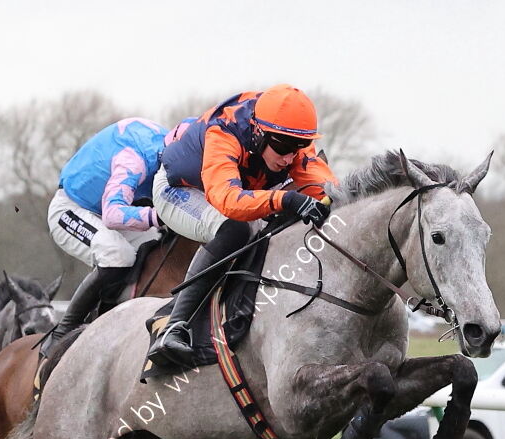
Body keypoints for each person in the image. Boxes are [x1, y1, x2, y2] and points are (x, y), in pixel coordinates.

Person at [146, 85, 338, 367]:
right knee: (235, 229)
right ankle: (174, 326)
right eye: (282, 147)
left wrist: (329, 203)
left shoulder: (292, 137)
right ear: (259, 132)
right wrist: (286, 199)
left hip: (235, 191)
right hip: (181, 190)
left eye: (296, 148)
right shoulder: (224, 133)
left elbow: (323, 189)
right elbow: (228, 200)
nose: (289, 157)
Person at [42, 117, 190, 356]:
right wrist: (159, 217)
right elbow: (112, 214)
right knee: (117, 254)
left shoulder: (170, 150)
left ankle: (117, 309)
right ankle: (63, 332)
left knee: (154, 246)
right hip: (72, 209)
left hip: (109, 208)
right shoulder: (135, 159)